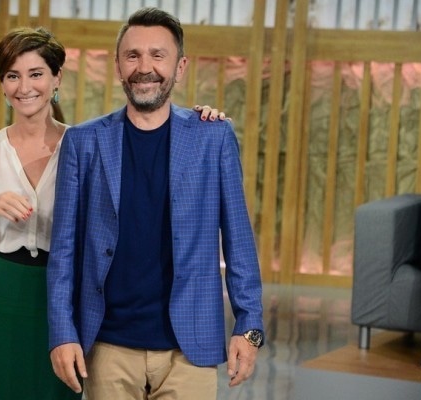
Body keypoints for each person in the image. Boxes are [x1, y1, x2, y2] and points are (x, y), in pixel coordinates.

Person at [0, 26, 225, 400]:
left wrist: (202, 119)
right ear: (2, 84)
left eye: (36, 74)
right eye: (13, 76)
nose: (24, 87)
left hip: (63, 300)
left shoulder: (88, 143)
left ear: (56, 79)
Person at [47, 7, 264, 400]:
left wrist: (249, 327)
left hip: (191, 348)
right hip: (107, 347)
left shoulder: (213, 138)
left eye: (157, 55)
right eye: (132, 56)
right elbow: (64, 250)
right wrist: (62, 333)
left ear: (180, 67)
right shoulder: (83, 142)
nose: (144, 67)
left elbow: (239, 241)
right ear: (117, 65)